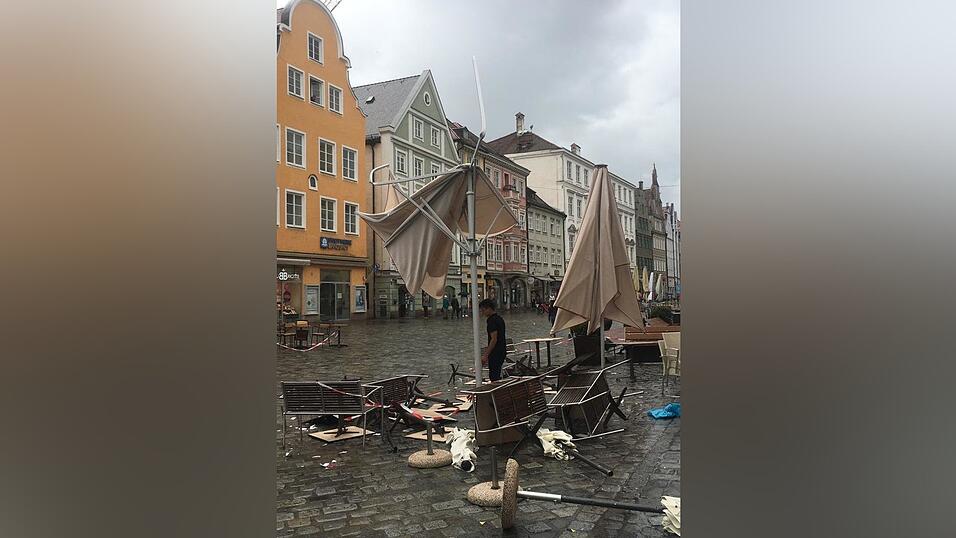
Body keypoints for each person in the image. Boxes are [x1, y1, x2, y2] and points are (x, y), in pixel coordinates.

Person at [479, 299, 507, 382]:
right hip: (502, 350)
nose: (482, 313)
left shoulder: (491, 321)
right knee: (496, 374)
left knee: (494, 376)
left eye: (483, 310)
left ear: (489, 308)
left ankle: (497, 389)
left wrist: (485, 355)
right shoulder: (500, 319)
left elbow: (494, 339)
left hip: (496, 352)